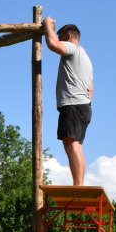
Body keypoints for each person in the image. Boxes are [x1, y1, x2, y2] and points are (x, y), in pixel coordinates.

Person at [42, 17, 93, 187]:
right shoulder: (85, 57)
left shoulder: (73, 48)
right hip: (83, 105)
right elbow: (91, 89)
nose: (59, 39)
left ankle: (78, 187)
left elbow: (52, 44)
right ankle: (79, 185)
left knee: (72, 145)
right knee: (75, 145)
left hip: (73, 104)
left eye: (61, 37)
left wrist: (47, 25)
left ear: (69, 37)